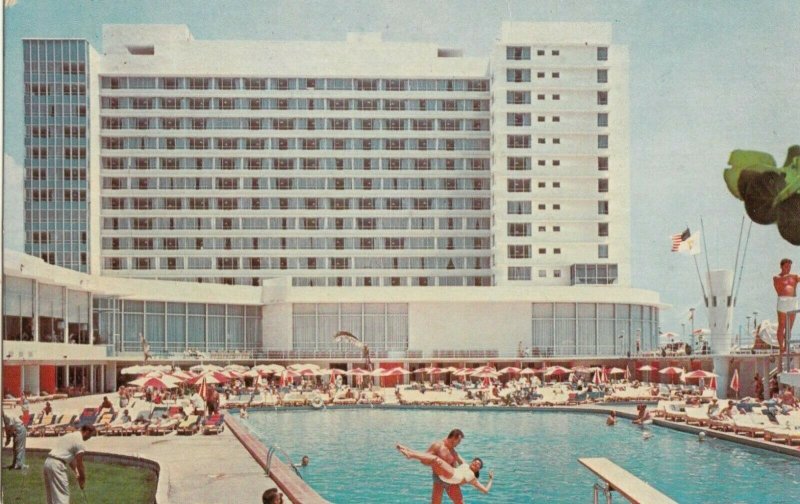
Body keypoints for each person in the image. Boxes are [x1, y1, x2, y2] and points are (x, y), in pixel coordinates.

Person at [396, 444, 494, 495]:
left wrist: (491, 479)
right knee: (433, 457)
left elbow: (485, 490)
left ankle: (411, 455)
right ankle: (409, 450)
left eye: (478, 465)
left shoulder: (473, 479)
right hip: (445, 475)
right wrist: (449, 444)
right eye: (475, 462)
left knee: (436, 459)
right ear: (472, 461)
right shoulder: (464, 464)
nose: (475, 464)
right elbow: (456, 453)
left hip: (452, 477)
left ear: (478, 470)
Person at [43, 424, 96, 504]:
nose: (89, 438)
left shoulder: (69, 436)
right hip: (57, 465)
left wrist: (76, 471)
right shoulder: (80, 442)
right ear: (87, 432)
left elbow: (69, 457)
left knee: (51, 497)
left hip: (48, 463)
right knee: (62, 496)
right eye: (90, 436)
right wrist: (82, 479)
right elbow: (80, 463)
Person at [427, 429, 466, 504]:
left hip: (451, 478)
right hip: (438, 477)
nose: (459, 443)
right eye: (459, 441)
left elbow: (462, 462)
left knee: (460, 502)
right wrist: (434, 462)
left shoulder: (453, 451)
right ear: (454, 438)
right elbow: (426, 457)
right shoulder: (438, 446)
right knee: (436, 502)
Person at [773, 258, 799, 359]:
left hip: (793, 301)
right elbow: (778, 283)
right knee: (782, 325)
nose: (788, 268)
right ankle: (781, 347)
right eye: (786, 266)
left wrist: (794, 277)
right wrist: (790, 276)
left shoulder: (795, 277)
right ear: (781, 266)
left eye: (789, 266)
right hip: (783, 301)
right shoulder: (776, 277)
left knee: (789, 327)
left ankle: (787, 346)